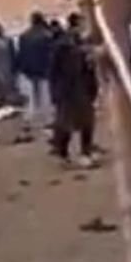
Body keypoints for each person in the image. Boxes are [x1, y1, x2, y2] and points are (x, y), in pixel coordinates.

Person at [49, 14, 99, 168]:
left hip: (81, 88)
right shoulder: (64, 45)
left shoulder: (80, 44)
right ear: (76, 25)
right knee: (67, 124)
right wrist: (56, 92)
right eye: (83, 24)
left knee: (86, 123)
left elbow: (88, 69)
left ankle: (83, 153)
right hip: (69, 90)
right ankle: (65, 153)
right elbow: (54, 71)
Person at [17, 13, 55, 132]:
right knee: (45, 96)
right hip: (44, 70)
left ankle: (28, 120)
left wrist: (22, 68)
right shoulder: (47, 36)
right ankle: (47, 120)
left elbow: (21, 54)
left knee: (30, 98)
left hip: (28, 70)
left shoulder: (24, 36)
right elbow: (50, 55)